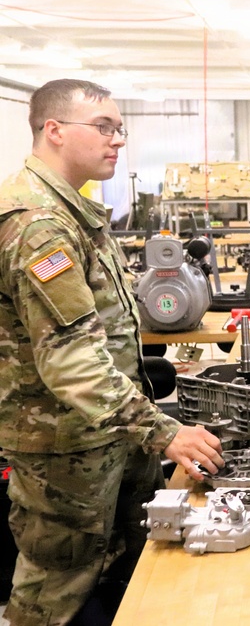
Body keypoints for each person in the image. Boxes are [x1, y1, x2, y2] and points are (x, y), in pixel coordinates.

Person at [0, 79, 225, 626]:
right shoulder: (39, 227)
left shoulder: (73, 213)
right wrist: (164, 431)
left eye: (119, 128)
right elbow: (71, 362)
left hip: (111, 435)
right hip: (67, 452)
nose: (118, 139)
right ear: (54, 130)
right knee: (56, 592)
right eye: (103, 127)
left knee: (131, 578)